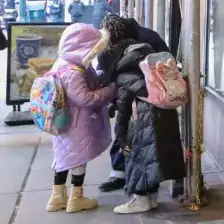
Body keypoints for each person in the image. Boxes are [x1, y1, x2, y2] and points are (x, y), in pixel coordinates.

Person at [99, 15, 184, 214]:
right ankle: (151, 197)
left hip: (143, 117)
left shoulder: (125, 64)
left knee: (137, 157)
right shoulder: (145, 52)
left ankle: (140, 199)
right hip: (161, 113)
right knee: (151, 156)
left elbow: (124, 105)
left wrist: (120, 133)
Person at [46, 23, 115, 213]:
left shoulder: (63, 62)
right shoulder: (73, 72)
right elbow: (85, 98)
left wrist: (100, 76)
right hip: (76, 122)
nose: (93, 54)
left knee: (63, 156)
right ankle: (77, 197)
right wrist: (110, 90)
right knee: (78, 158)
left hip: (62, 120)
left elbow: (88, 80)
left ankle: (57, 196)